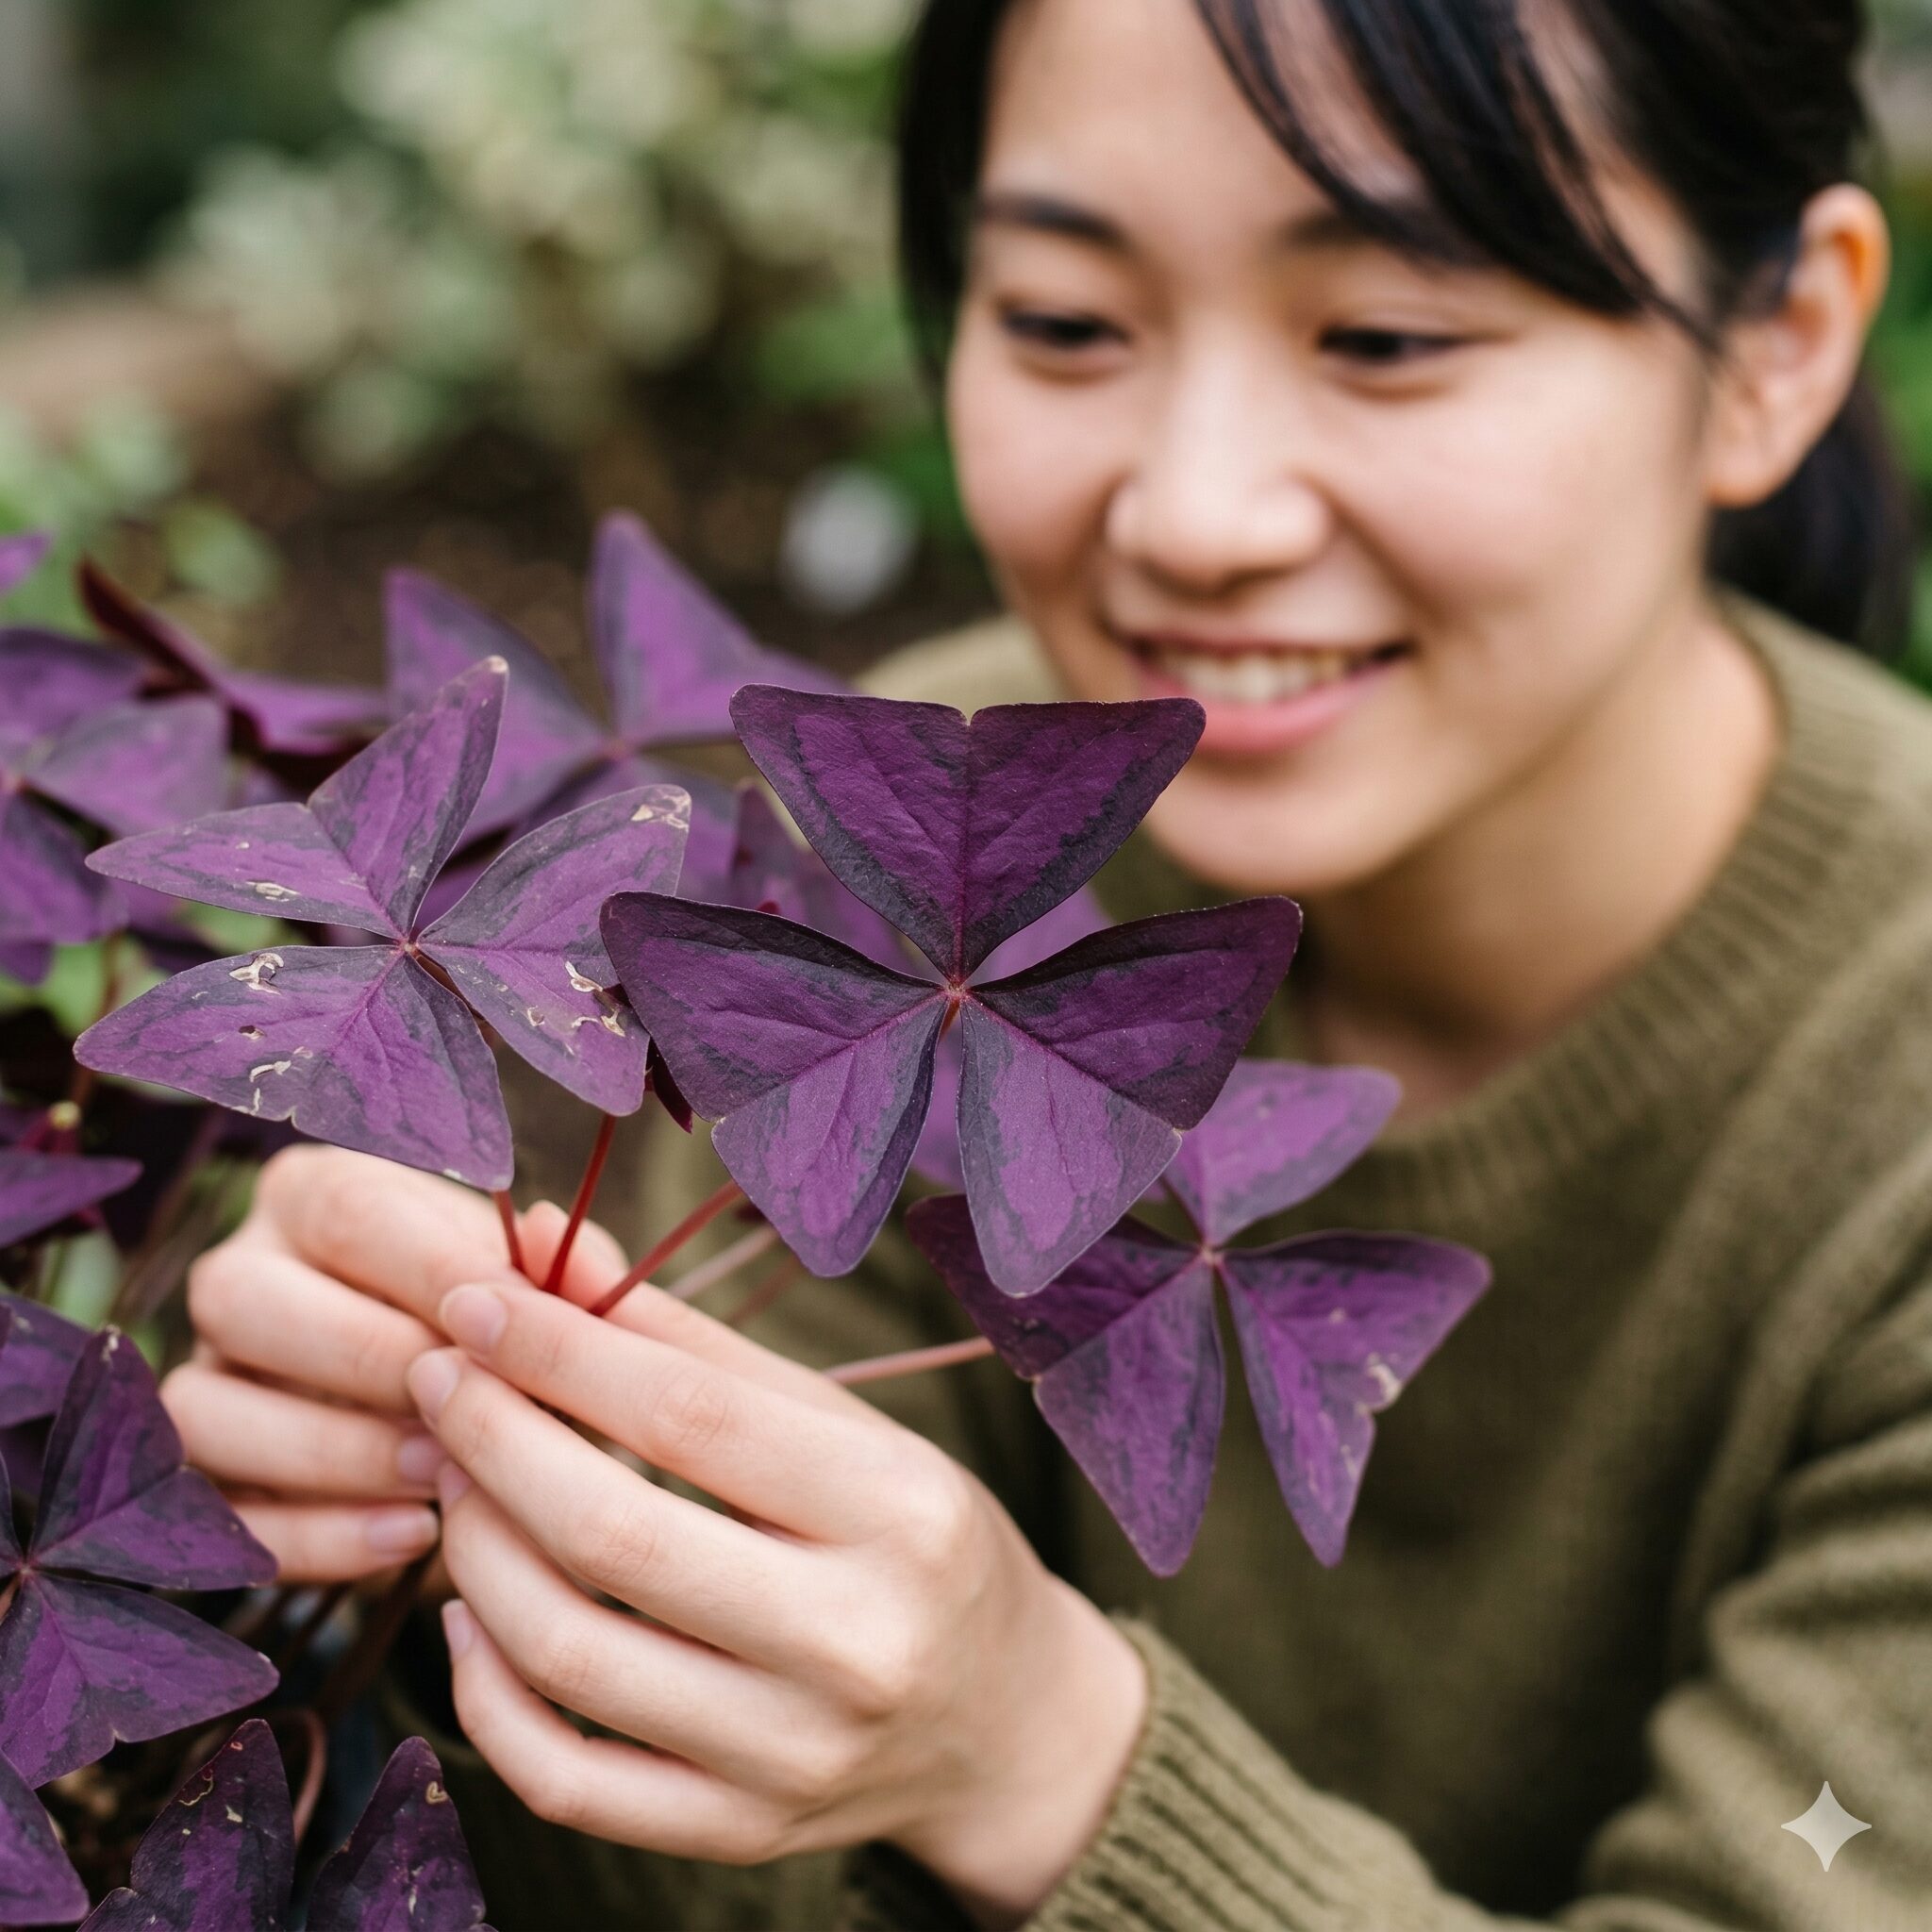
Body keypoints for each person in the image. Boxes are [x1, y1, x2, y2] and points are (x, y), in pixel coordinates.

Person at [164, 1, 1932, 1926]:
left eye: (1387, 338)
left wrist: (1042, 1759)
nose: (1191, 513)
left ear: (1776, 345)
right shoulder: (934, 853)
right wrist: (470, 1515)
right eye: (1066, 322)